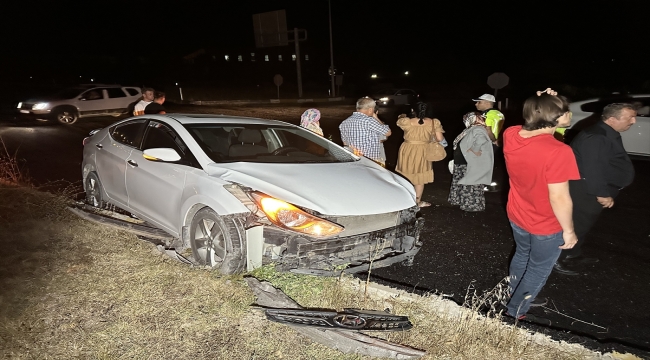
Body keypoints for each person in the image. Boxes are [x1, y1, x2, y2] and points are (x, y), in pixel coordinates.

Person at [502, 89, 580, 320]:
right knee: (537, 267)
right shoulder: (558, 151)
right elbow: (559, 197)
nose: (570, 113)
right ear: (556, 117)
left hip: (518, 214)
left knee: (522, 255)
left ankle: (514, 293)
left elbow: (527, 123)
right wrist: (569, 231)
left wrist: (542, 100)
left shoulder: (511, 134)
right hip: (545, 223)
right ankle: (516, 311)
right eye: (566, 111)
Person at [553, 103, 636, 275]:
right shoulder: (596, 136)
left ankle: (573, 254)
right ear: (612, 119)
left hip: (590, 190)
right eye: (630, 118)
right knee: (576, 225)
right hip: (587, 191)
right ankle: (557, 259)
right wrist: (602, 193)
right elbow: (593, 169)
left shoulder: (605, 132)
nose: (634, 121)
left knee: (583, 225)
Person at [395, 102, 445, 208]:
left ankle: (402, 200)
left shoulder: (406, 121)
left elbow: (399, 120)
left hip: (407, 149)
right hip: (423, 150)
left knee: (404, 173)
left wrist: (404, 115)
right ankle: (417, 202)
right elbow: (440, 139)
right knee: (420, 177)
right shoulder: (433, 122)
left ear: (413, 111)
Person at [448, 111, 494, 212]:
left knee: (471, 184)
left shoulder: (478, 128)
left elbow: (481, 140)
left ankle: (471, 205)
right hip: (463, 161)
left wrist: (475, 149)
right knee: (463, 181)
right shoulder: (471, 129)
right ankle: (461, 201)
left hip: (469, 162)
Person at [339, 97, 391, 166]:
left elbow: (345, 143)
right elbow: (388, 133)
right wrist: (376, 118)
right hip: (371, 162)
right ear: (370, 109)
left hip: (354, 161)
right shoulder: (369, 121)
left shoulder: (344, 123)